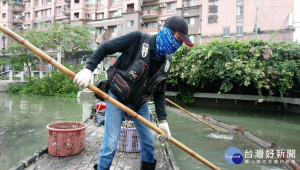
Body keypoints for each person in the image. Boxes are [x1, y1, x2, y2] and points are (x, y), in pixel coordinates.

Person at [73, 16, 194, 170]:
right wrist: (88, 69)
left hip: (139, 103)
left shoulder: (167, 61)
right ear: (167, 31)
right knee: (110, 143)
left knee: (149, 141)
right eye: (178, 39)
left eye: (181, 43)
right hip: (117, 96)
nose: (177, 45)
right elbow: (105, 48)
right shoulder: (137, 39)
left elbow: (160, 93)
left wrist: (163, 121)